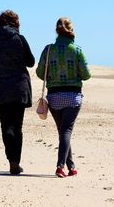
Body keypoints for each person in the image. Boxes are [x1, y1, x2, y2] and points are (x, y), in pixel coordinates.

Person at [36, 17, 91, 178]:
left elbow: (40, 73)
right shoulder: (77, 50)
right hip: (73, 97)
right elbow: (87, 75)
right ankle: (60, 166)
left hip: (54, 98)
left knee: (63, 132)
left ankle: (71, 167)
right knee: (66, 131)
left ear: (56, 30)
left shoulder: (48, 50)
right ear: (71, 30)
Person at [0, 10, 35, 174]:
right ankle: (16, 161)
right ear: (15, 23)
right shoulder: (19, 39)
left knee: (6, 126)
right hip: (19, 87)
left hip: (1, 88)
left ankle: (11, 161)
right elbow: (31, 62)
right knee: (17, 126)